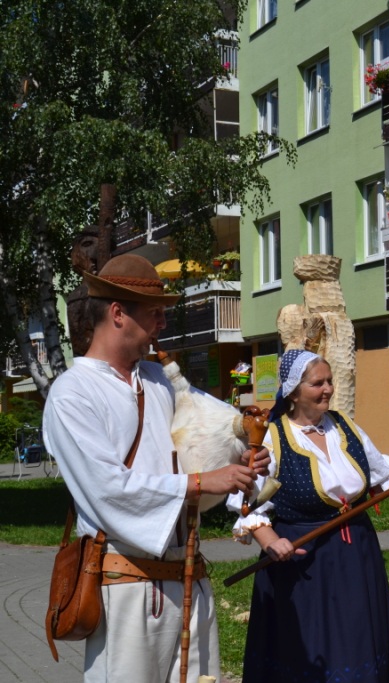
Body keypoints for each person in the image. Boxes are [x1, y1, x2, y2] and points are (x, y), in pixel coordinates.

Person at [42, 253, 264, 682]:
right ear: (118, 313)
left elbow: (210, 436)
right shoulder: (73, 394)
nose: (163, 324)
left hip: (190, 577)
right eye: (155, 313)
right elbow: (108, 489)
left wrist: (240, 456)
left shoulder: (161, 379)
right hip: (126, 586)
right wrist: (200, 482)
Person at [230, 349, 389, 682]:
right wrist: (271, 541)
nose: (328, 389)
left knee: (358, 636)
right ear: (293, 392)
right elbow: (247, 504)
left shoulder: (344, 427)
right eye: (318, 383)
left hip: (356, 555)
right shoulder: (272, 439)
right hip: (302, 562)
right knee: (310, 647)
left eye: (329, 381)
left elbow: (383, 476)